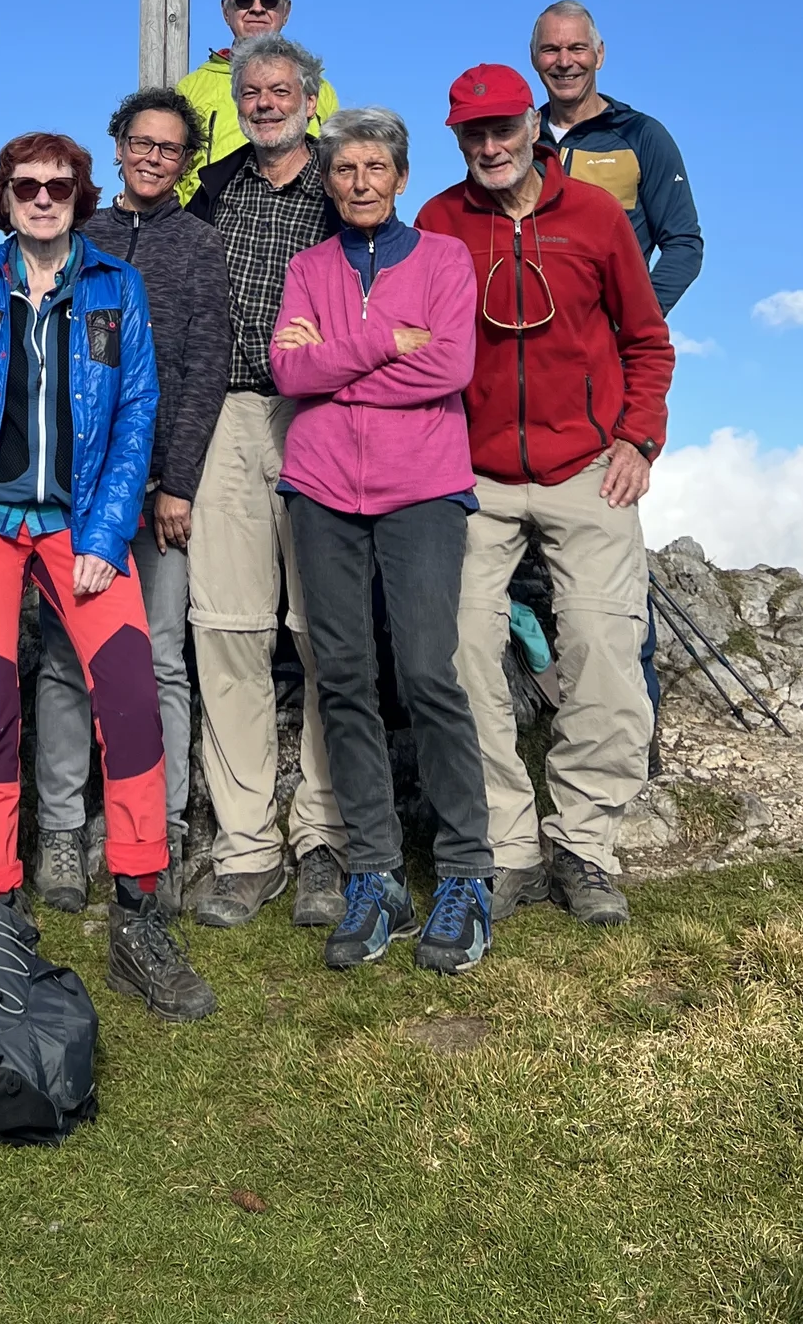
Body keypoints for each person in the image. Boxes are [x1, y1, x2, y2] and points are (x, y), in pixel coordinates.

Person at [0, 132, 215, 1023]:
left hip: (80, 526)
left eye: (60, 186)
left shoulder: (117, 284)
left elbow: (138, 409)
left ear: (81, 197)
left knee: (130, 704)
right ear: (5, 197)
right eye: (26, 186)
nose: (43, 199)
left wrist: (109, 530)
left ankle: (139, 913)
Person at [416, 66, 675, 930]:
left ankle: (585, 843)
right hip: (475, 474)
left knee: (605, 645)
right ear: (457, 139)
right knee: (455, 645)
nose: (488, 146)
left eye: (501, 128)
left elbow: (646, 340)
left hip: (586, 465)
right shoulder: (439, 223)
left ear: (532, 124)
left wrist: (638, 438)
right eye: (471, 133)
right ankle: (507, 842)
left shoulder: (598, 217)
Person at [270, 109, 495, 973]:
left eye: (375, 167)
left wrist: (337, 361)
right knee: (346, 677)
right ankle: (375, 873)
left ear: (401, 176)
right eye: (343, 170)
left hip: (424, 489)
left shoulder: (442, 258)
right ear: (326, 182)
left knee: (430, 672)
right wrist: (376, 343)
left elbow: (449, 366)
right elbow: (289, 370)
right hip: (323, 490)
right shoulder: (308, 266)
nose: (359, 182)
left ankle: (466, 872)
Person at [33, 87, 229, 916]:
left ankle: (159, 826)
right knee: (63, 661)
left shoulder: (199, 247)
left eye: (170, 148)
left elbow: (203, 371)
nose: (152, 157)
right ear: (117, 148)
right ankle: (59, 831)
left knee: (157, 660)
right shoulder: (77, 238)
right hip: (71, 493)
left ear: (187, 163)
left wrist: (177, 481)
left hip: (156, 495)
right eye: (140, 143)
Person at [183, 37, 347, 930]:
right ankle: (247, 847)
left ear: (310, 100)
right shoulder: (214, 191)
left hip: (324, 415)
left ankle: (324, 837)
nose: (266, 101)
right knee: (229, 629)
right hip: (230, 416)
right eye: (252, 91)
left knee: (326, 631)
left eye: (282, 90)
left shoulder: (344, 182)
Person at [531, 0, 702, 314]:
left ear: (600, 55)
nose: (564, 61)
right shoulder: (517, 141)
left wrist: (638, 318)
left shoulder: (641, 135)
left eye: (577, 48)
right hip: (531, 345)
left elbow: (684, 244)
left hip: (612, 355)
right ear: (534, 58)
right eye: (551, 49)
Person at [177, 0, 340, 197]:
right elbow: (171, 169)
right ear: (226, 11)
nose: (257, 8)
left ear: (286, 11)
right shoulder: (191, 89)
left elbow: (339, 163)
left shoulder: (319, 89)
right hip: (209, 226)